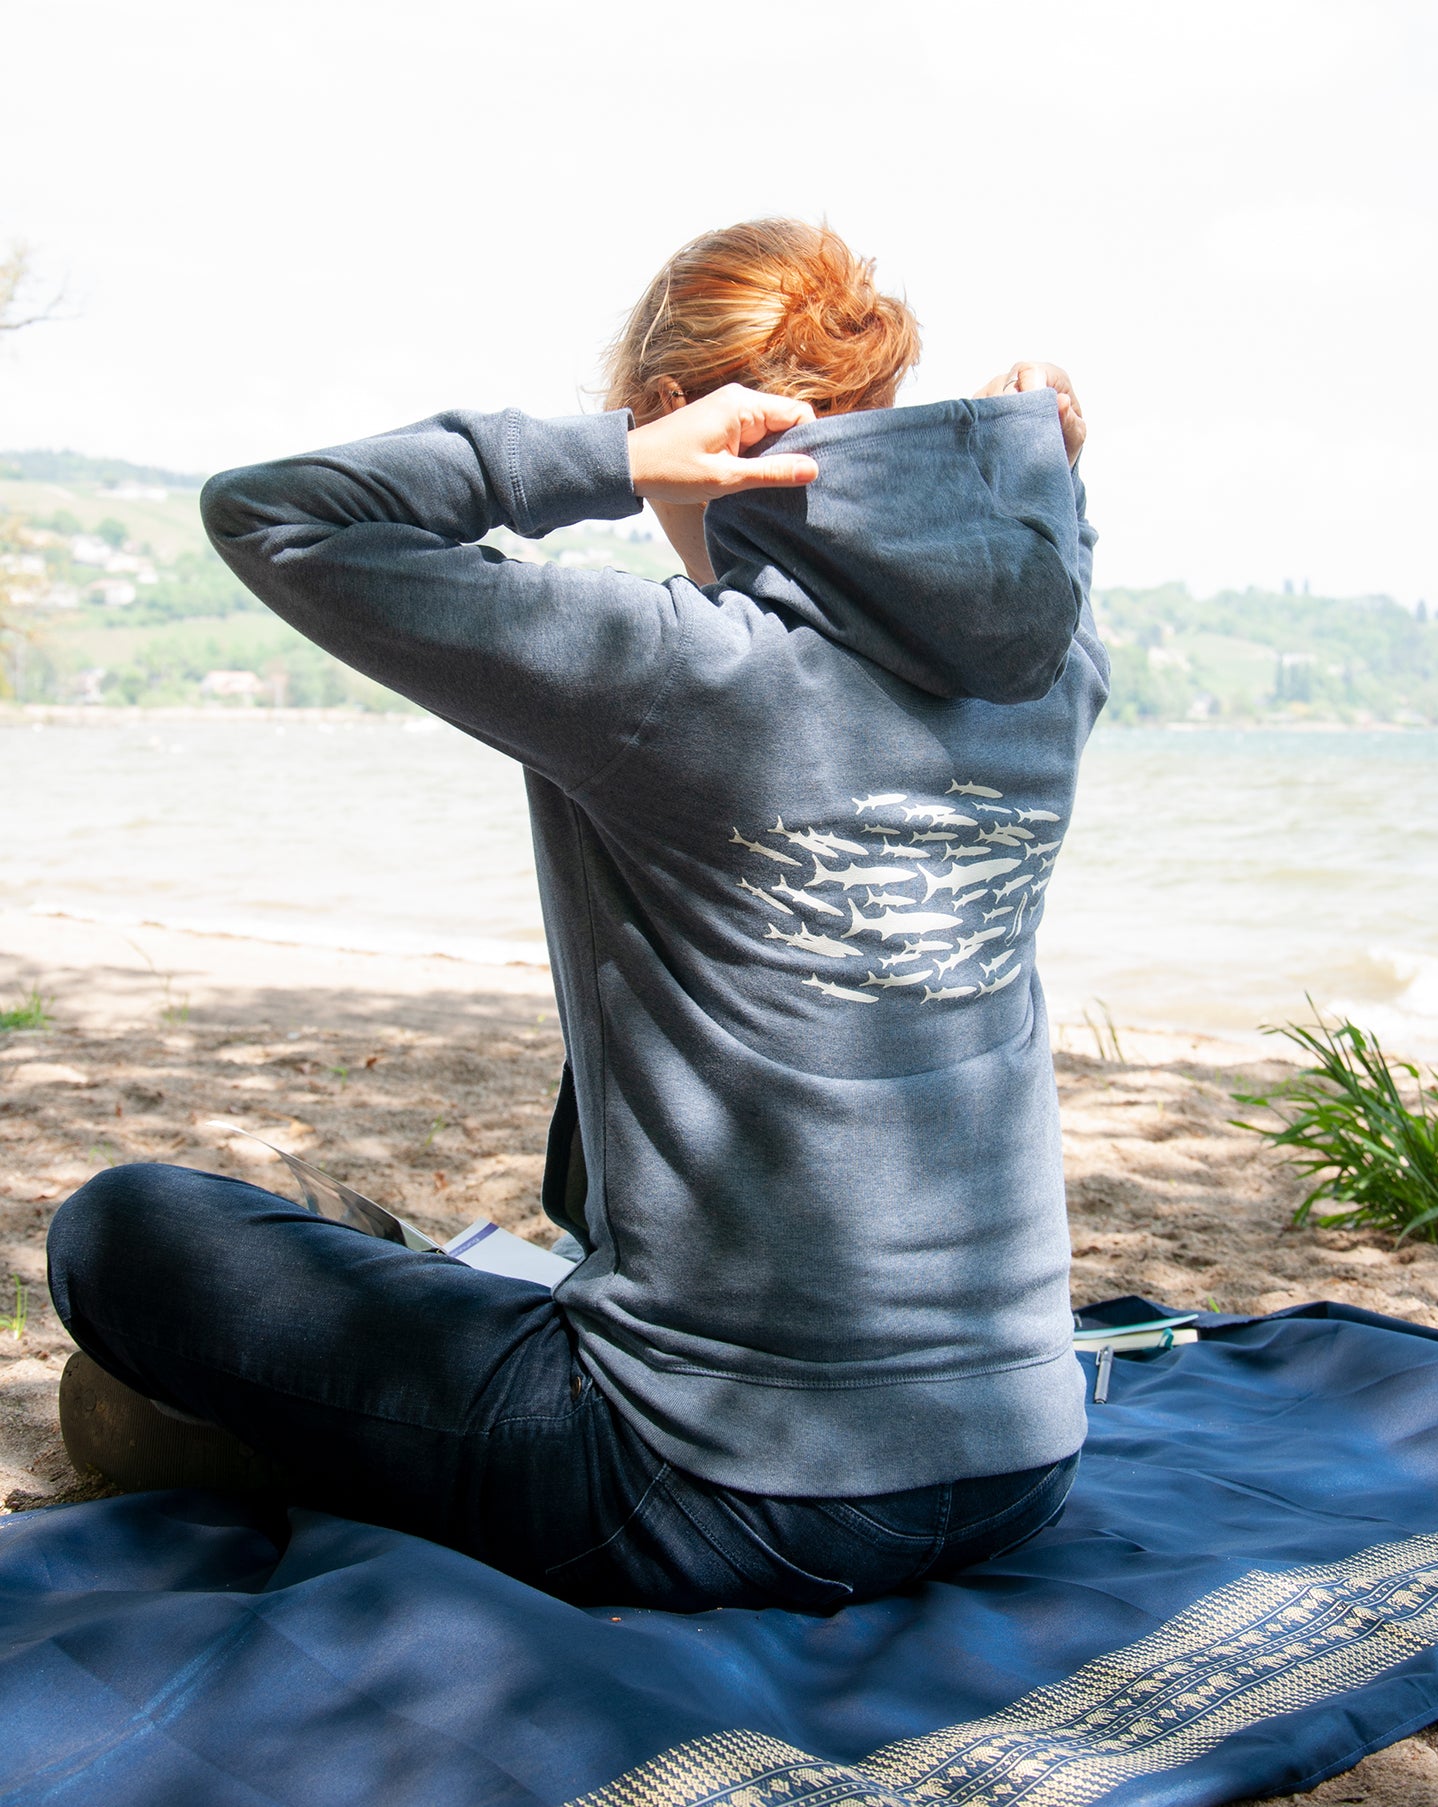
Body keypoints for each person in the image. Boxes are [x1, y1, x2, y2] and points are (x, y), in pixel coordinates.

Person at [48, 218, 1107, 1612]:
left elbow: (274, 512)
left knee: (122, 1231)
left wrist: (606, 466)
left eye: (644, 420)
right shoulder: (1047, 674)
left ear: (682, 417)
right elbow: (1021, 586)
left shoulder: (676, 671)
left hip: (711, 1490)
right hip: (1023, 1459)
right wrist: (1034, 482)